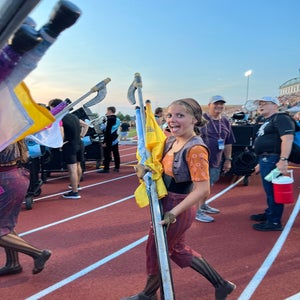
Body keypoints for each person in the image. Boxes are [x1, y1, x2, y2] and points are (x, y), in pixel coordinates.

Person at [122, 98, 235, 300]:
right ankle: (222, 284)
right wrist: (145, 170)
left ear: (195, 119)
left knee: (157, 251)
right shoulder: (172, 140)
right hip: (167, 200)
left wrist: (173, 213)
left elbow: (203, 190)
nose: (172, 120)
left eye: (180, 115)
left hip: (178, 206)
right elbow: (160, 168)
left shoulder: (196, 150)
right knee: (176, 249)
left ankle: (147, 295)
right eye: (170, 115)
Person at [0, 141, 51, 276]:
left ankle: (38, 254)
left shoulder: (4, 133)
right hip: (13, 176)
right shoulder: (12, 130)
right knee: (5, 223)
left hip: (7, 180)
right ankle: (13, 263)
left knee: (2, 227)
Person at [251, 96, 295, 231]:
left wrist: (283, 160)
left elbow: (287, 139)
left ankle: (274, 221)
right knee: (269, 190)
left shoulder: (281, 118)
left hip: (273, 159)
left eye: (264, 103)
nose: (261, 105)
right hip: (266, 159)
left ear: (275, 106)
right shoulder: (268, 121)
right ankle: (271, 213)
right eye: (260, 103)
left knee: (273, 191)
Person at [196, 95, 236, 223]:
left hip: (216, 160)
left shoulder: (225, 121)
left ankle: (202, 205)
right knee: (199, 187)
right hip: (200, 160)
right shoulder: (201, 120)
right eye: (216, 104)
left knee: (209, 185)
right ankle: (195, 211)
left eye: (221, 104)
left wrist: (228, 159)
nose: (219, 106)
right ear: (209, 105)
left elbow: (228, 142)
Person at [48, 99, 84, 199]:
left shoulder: (60, 118)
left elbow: (61, 132)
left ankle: (74, 192)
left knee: (72, 169)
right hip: (79, 143)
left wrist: (60, 143)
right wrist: (81, 136)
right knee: (78, 165)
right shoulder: (74, 116)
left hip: (69, 145)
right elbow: (85, 125)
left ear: (54, 107)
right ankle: (77, 185)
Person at [97, 106, 121, 173]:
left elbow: (108, 131)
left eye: (107, 111)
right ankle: (117, 167)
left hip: (109, 139)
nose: (106, 112)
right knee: (116, 153)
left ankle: (106, 168)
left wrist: (104, 141)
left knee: (107, 154)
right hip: (115, 138)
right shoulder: (118, 119)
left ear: (110, 111)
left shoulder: (109, 119)